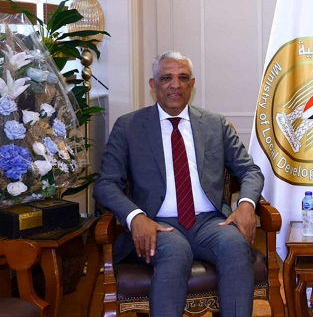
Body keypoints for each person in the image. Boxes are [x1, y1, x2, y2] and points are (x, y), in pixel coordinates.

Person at [93, 51, 264, 317]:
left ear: (192, 84)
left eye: (183, 78)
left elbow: (249, 170)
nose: (175, 85)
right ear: (153, 85)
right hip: (157, 223)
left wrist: (246, 204)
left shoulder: (215, 124)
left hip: (210, 223)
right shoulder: (129, 127)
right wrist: (135, 217)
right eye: (166, 78)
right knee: (175, 251)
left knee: (235, 246)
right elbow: (105, 184)